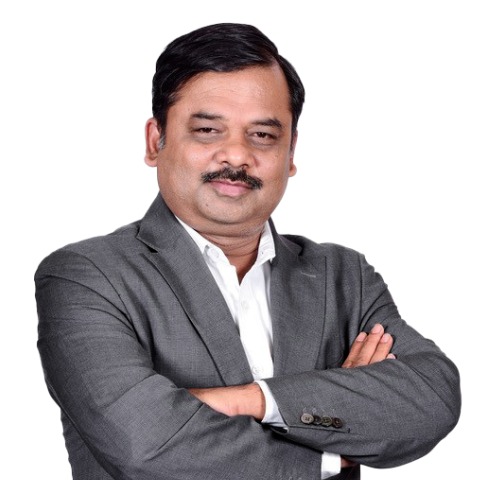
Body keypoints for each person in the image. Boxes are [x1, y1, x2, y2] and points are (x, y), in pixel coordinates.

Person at [35, 23, 461, 480]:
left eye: (262, 135)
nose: (236, 156)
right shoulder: (87, 276)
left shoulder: (342, 276)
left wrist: (252, 401)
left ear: (290, 151)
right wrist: (331, 448)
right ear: (156, 141)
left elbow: (432, 398)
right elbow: (143, 443)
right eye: (207, 130)